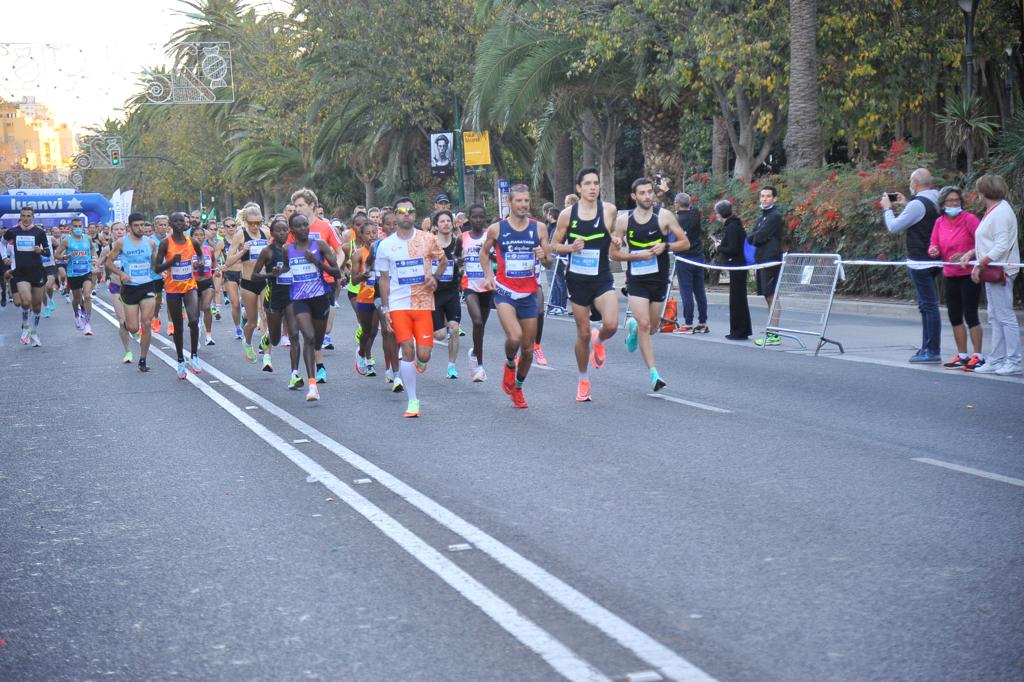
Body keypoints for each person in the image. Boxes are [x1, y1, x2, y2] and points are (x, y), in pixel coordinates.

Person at [612, 177, 690, 391]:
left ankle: (634, 328)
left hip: (659, 278)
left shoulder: (664, 216)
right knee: (646, 323)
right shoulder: (624, 220)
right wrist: (633, 257)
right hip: (636, 280)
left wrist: (665, 246)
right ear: (634, 196)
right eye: (643, 193)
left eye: (650, 192)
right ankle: (654, 374)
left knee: (653, 327)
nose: (648, 196)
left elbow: (685, 243)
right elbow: (614, 253)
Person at [551, 167, 620, 402]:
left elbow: (613, 235)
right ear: (579, 188)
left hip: (601, 276)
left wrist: (617, 241)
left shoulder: (609, 210)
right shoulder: (567, 215)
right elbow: (554, 245)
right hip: (577, 279)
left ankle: (599, 340)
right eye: (588, 184)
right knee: (582, 333)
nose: (593, 188)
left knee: (611, 324)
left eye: (596, 183)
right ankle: (583, 379)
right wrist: (570, 248)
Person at [479, 184, 552, 408]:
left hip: (529, 293)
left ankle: (518, 388)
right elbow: (484, 253)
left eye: (526, 201)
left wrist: (544, 256)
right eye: (518, 201)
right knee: (515, 338)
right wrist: (489, 274)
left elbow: (548, 261)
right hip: (505, 292)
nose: (523, 205)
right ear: (510, 203)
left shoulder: (539, 228)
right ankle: (510, 362)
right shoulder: (497, 229)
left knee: (529, 349)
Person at [376, 196, 447, 417]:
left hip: (422, 303)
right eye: (401, 211)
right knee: (407, 349)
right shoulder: (385, 245)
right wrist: (385, 308)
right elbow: (384, 279)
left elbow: (443, 260)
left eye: (410, 211)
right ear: (395, 216)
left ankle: (418, 361)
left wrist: (435, 277)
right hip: (398, 304)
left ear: (415, 215)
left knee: (423, 355)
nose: (406, 214)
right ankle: (413, 401)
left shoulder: (427, 239)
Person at [959, 175, 1021, 375]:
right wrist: (973, 254)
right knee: (996, 316)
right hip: (993, 270)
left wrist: (980, 264)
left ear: (983, 193)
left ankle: (1014, 360)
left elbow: (1001, 245)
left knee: (1005, 316)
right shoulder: (995, 210)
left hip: (1000, 271)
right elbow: (989, 242)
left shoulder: (1001, 213)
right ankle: (997, 358)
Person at [881, 168, 942, 363]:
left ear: (915, 184)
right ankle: (927, 347)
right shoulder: (937, 198)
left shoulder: (917, 204)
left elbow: (894, 227)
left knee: (928, 305)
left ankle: (931, 350)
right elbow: (925, 215)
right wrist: (907, 203)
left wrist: (887, 208)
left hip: (920, 260)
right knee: (927, 305)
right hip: (935, 258)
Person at [290, 188, 345, 383]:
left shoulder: (325, 227)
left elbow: (340, 251)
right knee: (308, 332)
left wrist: (335, 267)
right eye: (295, 206)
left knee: (326, 329)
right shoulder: (294, 229)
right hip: (302, 288)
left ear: (312, 205)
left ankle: (316, 361)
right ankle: (318, 367)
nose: (297, 209)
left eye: (300, 205)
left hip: (326, 283)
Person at [927, 186, 984, 370]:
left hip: (968, 274)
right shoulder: (939, 222)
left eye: (956, 200)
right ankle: (962, 355)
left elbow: (984, 243)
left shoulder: (969, 219)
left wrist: (966, 254)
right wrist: (933, 250)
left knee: (971, 314)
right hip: (950, 274)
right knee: (954, 315)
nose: (953, 203)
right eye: (950, 201)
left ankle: (978, 355)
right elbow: (933, 244)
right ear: (943, 204)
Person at [106, 213, 160, 372]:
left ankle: (143, 359)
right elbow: (108, 262)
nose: (140, 228)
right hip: (130, 288)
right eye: (136, 225)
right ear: (130, 227)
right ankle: (131, 331)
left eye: (142, 225)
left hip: (147, 286)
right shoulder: (121, 243)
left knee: (147, 323)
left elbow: (155, 264)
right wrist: (121, 273)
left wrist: (162, 270)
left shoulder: (150, 243)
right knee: (133, 328)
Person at [252, 216, 302, 385]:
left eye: (284, 230)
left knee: (294, 334)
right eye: (278, 230)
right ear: (272, 233)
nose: (282, 233)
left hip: (291, 296)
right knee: (275, 339)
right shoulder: (268, 251)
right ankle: (266, 340)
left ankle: (294, 374)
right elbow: (255, 275)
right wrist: (270, 275)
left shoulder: (294, 249)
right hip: (273, 296)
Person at [154, 212, 204, 379]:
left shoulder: (192, 241)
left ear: (185, 224)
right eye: (174, 221)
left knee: (193, 320)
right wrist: (170, 262)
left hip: (190, 286)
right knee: (178, 326)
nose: (177, 224)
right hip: (173, 289)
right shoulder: (165, 243)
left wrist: (201, 261)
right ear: (170, 224)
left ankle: (195, 356)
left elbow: (201, 253)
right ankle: (181, 361)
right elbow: (156, 268)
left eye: (181, 221)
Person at [224, 205, 270, 364]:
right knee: (252, 321)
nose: (255, 226)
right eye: (251, 223)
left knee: (265, 316)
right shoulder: (240, 235)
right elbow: (229, 261)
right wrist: (243, 251)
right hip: (248, 282)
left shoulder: (266, 233)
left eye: (258, 222)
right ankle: (248, 343)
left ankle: (267, 356)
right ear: (245, 222)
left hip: (264, 280)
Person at [2, 206, 49, 346]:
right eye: (24, 216)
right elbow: (2, 243)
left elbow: (47, 252)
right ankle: (25, 326)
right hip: (21, 272)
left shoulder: (39, 232)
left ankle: (34, 332)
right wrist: (5, 257)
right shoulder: (13, 231)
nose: (26, 218)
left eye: (29, 216)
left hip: (37, 272)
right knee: (26, 301)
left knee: (36, 306)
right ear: (20, 217)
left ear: (33, 217)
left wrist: (40, 250)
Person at [747, 186, 784, 346]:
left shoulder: (774, 216)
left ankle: (774, 334)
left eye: (768, 196)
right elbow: (750, 237)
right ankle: (771, 331)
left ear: (774, 199)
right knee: (767, 296)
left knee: (772, 296)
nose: (764, 199)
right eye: (762, 196)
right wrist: (755, 236)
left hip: (771, 260)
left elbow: (759, 237)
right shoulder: (762, 217)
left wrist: (756, 236)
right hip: (761, 260)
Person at [461, 203, 494, 382]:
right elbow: (457, 256)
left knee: (481, 327)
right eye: (475, 217)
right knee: (478, 322)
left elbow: (497, 256)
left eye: (482, 216)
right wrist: (458, 262)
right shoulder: (463, 237)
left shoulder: (490, 235)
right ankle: (479, 365)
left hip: (487, 285)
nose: (479, 220)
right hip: (470, 285)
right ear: (469, 218)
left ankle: (474, 351)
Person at [712, 200, 752, 340]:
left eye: (717, 213)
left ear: (722, 214)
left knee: (737, 299)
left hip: (737, 265)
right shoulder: (735, 225)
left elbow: (733, 249)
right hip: (738, 265)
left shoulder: (732, 227)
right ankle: (742, 329)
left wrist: (719, 247)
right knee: (739, 298)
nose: (716, 216)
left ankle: (738, 331)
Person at [431, 210, 463, 378]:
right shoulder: (431, 244)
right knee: (440, 335)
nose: (445, 224)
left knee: (455, 329)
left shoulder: (458, 243)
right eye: (442, 221)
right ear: (436, 226)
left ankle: (451, 366)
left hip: (452, 292)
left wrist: (462, 266)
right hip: (434, 294)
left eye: (448, 221)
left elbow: (462, 265)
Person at [673, 192, 708, 334]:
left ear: (677, 205)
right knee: (699, 291)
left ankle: (688, 323)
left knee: (686, 291)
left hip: (683, 258)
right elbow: (690, 207)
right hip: (698, 257)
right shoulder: (695, 216)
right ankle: (703, 322)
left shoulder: (676, 221)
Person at [55, 216, 97, 336]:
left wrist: (94, 258)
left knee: (87, 296)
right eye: (76, 227)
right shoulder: (66, 240)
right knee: (77, 299)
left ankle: (88, 324)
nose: (78, 228)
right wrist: (65, 257)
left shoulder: (87, 238)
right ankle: (76, 314)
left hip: (86, 272)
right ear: (71, 228)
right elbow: (57, 255)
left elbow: (93, 249)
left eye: (80, 226)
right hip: (73, 274)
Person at [190, 225, 218, 347]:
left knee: (206, 307)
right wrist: (194, 265)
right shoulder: (188, 250)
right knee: (195, 312)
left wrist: (216, 270)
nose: (199, 237)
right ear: (191, 237)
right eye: (196, 235)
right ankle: (196, 333)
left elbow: (214, 262)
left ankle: (208, 335)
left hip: (207, 282)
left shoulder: (209, 249)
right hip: (193, 283)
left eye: (201, 235)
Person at [219, 218, 243, 339]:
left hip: (244, 273)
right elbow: (213, 259)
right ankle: (238, 327)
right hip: (230, 274)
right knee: (235, 303)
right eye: (227, 226)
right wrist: (220, 267)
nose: (230, 228)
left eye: (233, 225)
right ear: (224, 228)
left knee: (246, 303)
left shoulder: (242, 239)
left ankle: (244, 319)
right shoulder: (222, 243)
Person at [150, 214, 171, 334]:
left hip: (170, 272)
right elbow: (150, 260)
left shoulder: (171, 239)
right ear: (155, 226)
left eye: (165, 225)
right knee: (157, 299)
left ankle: (170, 323)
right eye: (160, 225)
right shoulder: (150, 240)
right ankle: (156, 317)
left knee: (171, 298)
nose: (163, 227)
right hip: (155, 273)